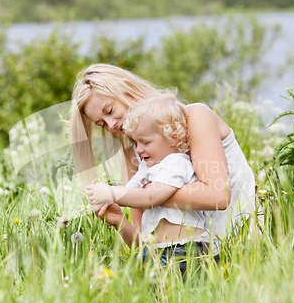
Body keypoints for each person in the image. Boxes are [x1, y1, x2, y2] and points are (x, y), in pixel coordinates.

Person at [70, 63, 260, 259]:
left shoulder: (194, 118)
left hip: (242, 250)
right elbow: (146, 244)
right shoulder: (134, 155)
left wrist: (137, 194)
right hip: (185, 260)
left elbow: (218, 196)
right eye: (101, 124)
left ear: (128, 91)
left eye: (109, 111)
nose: (111, 125)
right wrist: (119, 220)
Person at [86, 92, 212, 266]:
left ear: (173, 138)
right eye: (136, 143)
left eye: (145, 142)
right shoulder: (147, 167)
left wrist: (111, 193)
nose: (138, 149)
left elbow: (150, 197)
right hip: (157, 251)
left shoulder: (176, 163)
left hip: (185, 250)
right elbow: (131, 192)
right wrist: (109, 202)